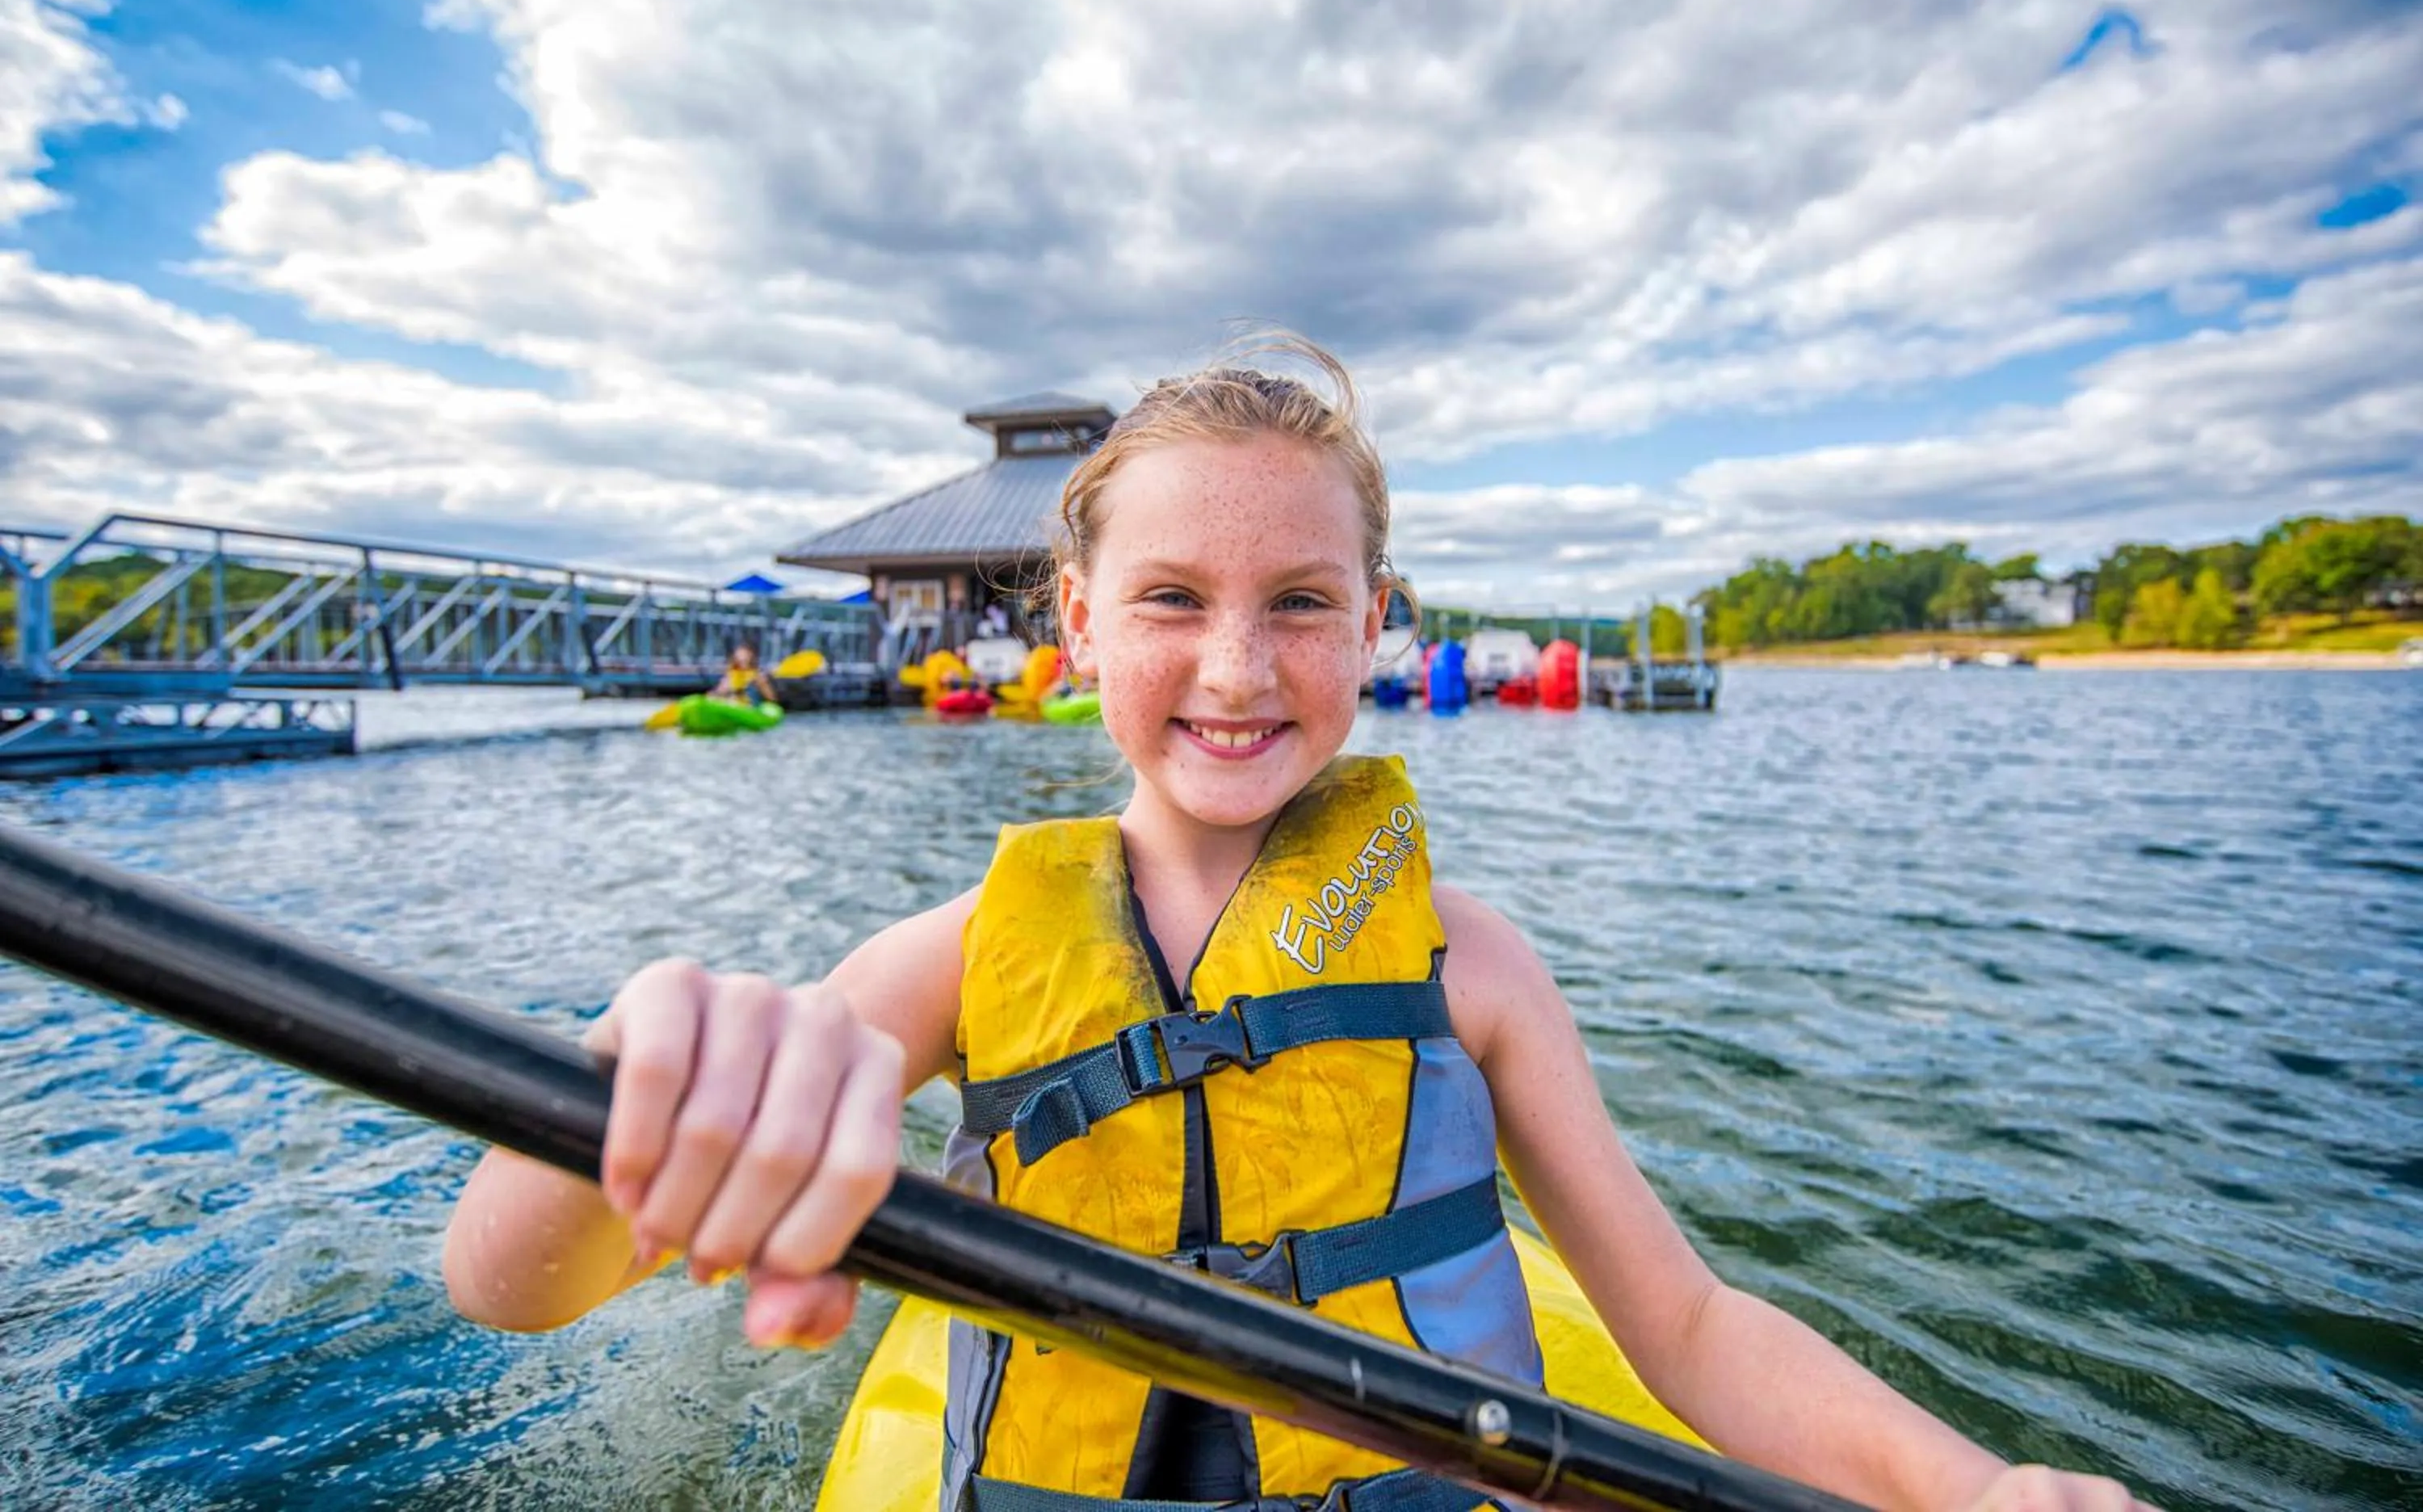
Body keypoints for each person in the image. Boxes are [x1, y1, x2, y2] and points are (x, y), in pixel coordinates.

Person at [444, 339, 2156, 1512]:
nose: (1239, 667)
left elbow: (1689, 1326)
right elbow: (506, 1287)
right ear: (1077, 621)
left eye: (1302, 603)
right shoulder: (946, 964)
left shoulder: (1474, 967)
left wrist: (1975, 1484)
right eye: (1172, 599)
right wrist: (626, 1087)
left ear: (1376, 618)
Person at [708, 643, 775, 707]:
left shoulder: (758, 676)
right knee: (712, 698)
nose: (742, 659)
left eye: (745, 658)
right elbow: (719, 692)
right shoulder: (730, 676)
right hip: (733, 705)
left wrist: (761, 685)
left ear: (751, 658)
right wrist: (715, 694)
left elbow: (771, 699)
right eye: (740, 658)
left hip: (749, 707)